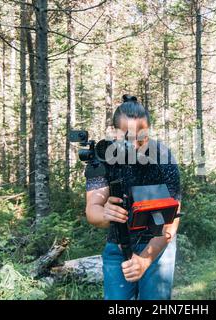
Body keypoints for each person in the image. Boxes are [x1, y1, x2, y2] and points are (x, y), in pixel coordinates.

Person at [85, 94, 181, 300]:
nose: (136, 144)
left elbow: (171, 221)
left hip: (158, 245)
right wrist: (106, 213)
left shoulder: (163, 157)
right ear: (114, 133)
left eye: (142, 136)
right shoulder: (103, 157)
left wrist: (145, 260)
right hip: (118, 245)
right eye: (127, 137)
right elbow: (92, 209)